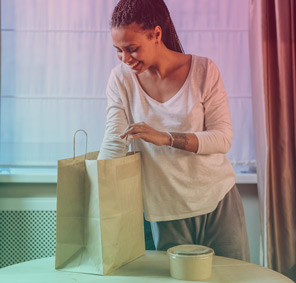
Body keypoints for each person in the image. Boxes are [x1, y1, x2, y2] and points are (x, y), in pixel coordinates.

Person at [98, 0, 250, 261]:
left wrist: (165, 138)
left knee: (233, 277)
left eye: (132, 49)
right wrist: (92, 189)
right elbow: (114, 142)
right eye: (118, 50)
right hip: (165, 210)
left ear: (156, 34)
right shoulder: (121, 79)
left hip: (218, 200)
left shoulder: (204, 71)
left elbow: (222, 139)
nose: (125, 59)